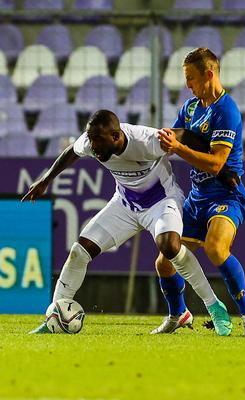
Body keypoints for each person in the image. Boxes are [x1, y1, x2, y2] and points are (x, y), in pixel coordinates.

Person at [22, 109, 232, 335]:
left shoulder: (145, 140)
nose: (93, 147)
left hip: (161, 201)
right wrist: (45, 180)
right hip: (125, 204)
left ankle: (214, 307)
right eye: (90, 140)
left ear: (116, 136)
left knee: (170, 247)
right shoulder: (92, 141)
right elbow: (71, 152)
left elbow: (184, 136)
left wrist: (221, 169)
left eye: (98, 141)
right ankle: (53, 315)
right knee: (79, 251)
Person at [153, 47, 245, 337]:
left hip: (226, 195)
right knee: (164, 261)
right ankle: (178, 314)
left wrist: (179, 148)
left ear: (208, 74)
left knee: (216, 248)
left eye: (190, 78)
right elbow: (175, 136)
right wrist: (154, 140)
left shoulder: (226, 111)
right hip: (197, 198)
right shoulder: (190, 108)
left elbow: (216, 163)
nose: (187, 84)